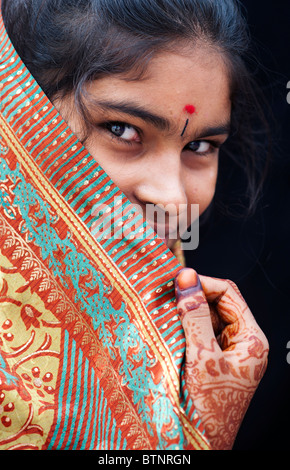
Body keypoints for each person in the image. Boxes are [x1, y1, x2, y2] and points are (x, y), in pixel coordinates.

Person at [0, 0, 268, 450]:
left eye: (200, 144)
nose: (174, 198)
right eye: (123, 130)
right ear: (23, 120)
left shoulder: (178, 348)